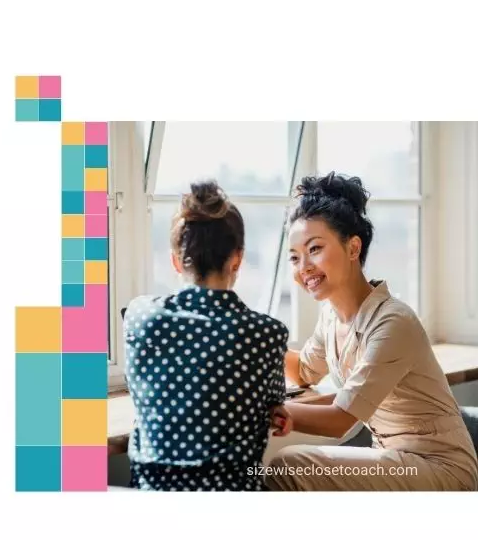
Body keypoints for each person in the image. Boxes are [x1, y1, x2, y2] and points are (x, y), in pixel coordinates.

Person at [266, 172, 478, 491]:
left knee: (288, 464)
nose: (303, 267)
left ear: (353, 248)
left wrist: (262, 410)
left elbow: (341, 419)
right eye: (294, 257)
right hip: (395, 460)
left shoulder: (393, 321)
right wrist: (258, 337)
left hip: (442, 469)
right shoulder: (331, 317)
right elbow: (306, 371)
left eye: (314, 249)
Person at [123, 180, 291, 491]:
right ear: (237, 259)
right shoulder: (267, 334)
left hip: (151, 492)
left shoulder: (139, 316)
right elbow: (273, 403)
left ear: (176, 261)